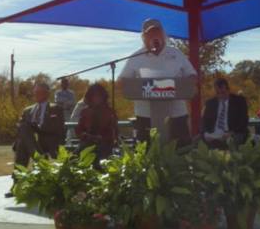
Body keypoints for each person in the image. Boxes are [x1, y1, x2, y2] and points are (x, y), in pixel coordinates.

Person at [118, 18, 196, 147]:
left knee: (181, 155)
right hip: (146, 116)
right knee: (149, 156)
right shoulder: (136, 57)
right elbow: (121, 82)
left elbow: (192, 75)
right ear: (144, 37)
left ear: (163, 35)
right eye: (150, 34)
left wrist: (187, 83)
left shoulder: (176, 54)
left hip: (176, 115)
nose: (154, 36)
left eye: (157, 32)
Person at [5, 82, 65, 198]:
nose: (36, 95)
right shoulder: (28, 110)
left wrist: (37, 128)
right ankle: (38, 156)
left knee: (23, 144)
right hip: (31, 141)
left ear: (47, 94)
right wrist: (30, 128)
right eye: (35, 92)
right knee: (23, 132)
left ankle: (16, 185)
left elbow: (57, 128)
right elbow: (21, 129)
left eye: (40, 92)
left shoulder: (56, 108)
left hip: (46, 140)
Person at [75, 83, 118, 168]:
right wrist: (84, 135)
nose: (96, 98)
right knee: (74, 159)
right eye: (94, 96)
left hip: (104, 145)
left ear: (103, 97)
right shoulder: (85, 111)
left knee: (101, 163)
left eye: (99, 96)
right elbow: (79, 129)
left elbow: (114, 131)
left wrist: (101, 137)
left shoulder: (109, 112)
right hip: (87, 143)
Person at [202, 78, 249, 149]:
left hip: (233, 132)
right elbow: (203, 121)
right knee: (197, 141)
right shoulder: (210, 103)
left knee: (231, 141)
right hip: (213, 133)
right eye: (218, 93)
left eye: (223, 92)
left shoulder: (239, 101)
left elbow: (244, 121)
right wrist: (205, 133)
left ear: (228, 90)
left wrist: (231, 133)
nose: (221, 95)